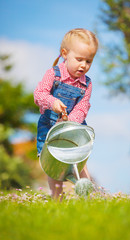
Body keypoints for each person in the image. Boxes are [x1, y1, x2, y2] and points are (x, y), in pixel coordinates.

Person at [34, 28, 98, 199]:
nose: (84, 65)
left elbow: (83, 106)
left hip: (74, 128)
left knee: (80, 160)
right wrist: (52, 102)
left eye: (89, 61)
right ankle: (57, 197)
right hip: (50, 127)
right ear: (64, 54)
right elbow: (39, 94)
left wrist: (70, 121)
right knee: (54, 164)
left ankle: (88, 196)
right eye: (79, 59)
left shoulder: (86, 84)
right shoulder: (53, 75)